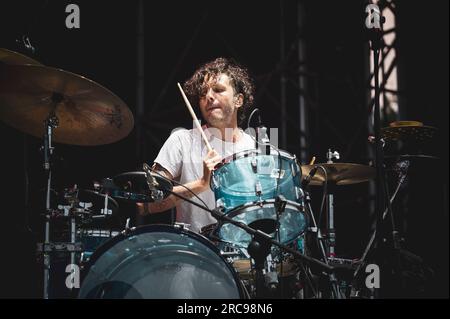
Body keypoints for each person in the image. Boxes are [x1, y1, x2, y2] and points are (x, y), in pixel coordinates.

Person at [137, 57, 256, 234]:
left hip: (244, 256)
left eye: (218, 90)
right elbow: (145, 204)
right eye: (203, 93)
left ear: (238, 100)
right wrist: (201, 183)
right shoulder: (182, 141)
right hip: (195, 254)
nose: (208, 96)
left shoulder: (253, 147)